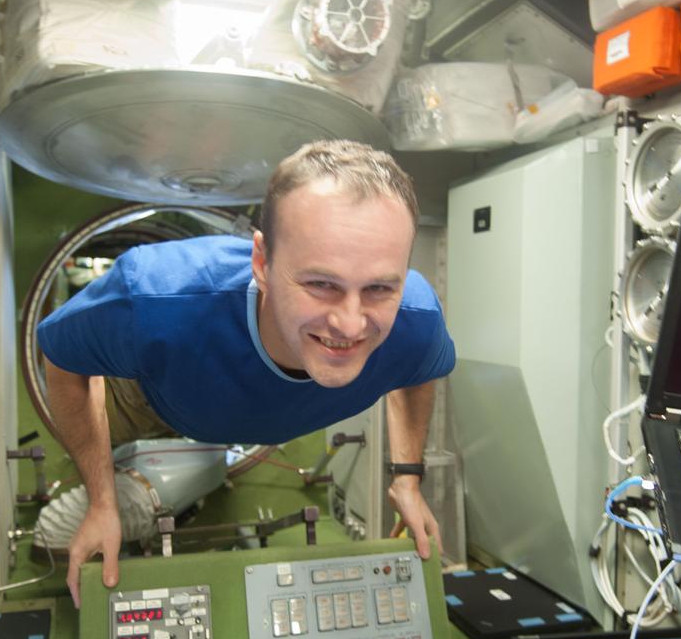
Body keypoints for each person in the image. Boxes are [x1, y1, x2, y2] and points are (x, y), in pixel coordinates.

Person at [38, 140, 456, 606]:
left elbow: (418, 373)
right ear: (262, 263)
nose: (350, 324)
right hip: (149, 394)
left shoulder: (415, 322)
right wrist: (101, 502)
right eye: (321, 284)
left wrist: (407, 478)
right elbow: (62, 359)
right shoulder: (153, 301)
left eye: (378, 287)